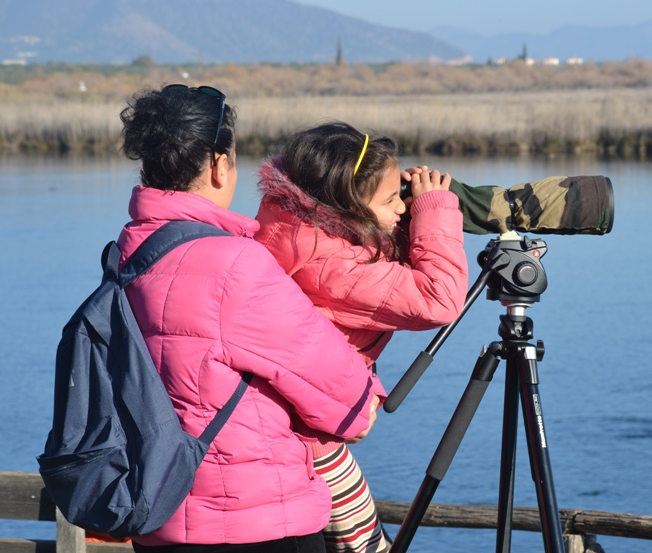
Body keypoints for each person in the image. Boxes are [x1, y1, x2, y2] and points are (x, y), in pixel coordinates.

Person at [117, 86, 378, 553]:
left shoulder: (126, 255)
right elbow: (350, 406)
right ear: (218, 165)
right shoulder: (237, 263)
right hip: (255, 521)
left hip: (156, 515)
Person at [254, 122, 469, 553]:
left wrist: (407, 216)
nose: (400, 210)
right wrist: (436, 209)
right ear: (347, 206)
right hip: (306, 439)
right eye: (390, 201)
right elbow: (439, 299)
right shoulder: (332, 264)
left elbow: (374, 258)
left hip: (288, 423)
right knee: (365, 547)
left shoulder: (294, 227)